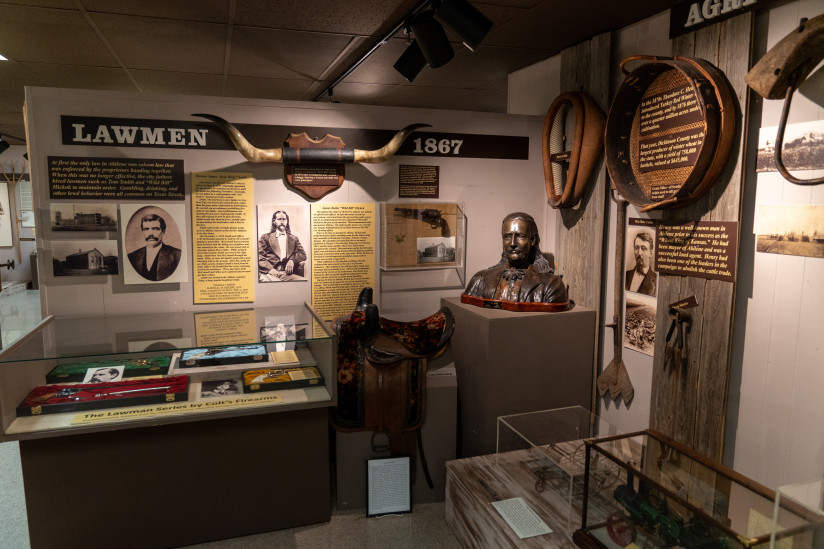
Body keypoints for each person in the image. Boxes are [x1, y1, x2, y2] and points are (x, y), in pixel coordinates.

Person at [463, 212, 568, 304]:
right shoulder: (480, 280)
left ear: (532, 240)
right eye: (507, 236)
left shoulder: (551, 285)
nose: (512, 243)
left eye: (520, 236)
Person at [127, 213, 182, 281]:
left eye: (155, 229)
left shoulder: (177, 255)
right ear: (143, 231)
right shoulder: (132, 256)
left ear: (163, 232)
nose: (150, 234)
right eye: (146, 229)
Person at [259, 210, 307, 282]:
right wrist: (270, 269)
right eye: (279, 219)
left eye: (284, 219)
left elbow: (303, 255)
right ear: (274, 221)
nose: (282, 221)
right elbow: (259, 256)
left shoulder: (294, 239)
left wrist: (292, 260)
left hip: (286, 274)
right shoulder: (265, 237)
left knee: (304, 281)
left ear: (287, 221)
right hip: (269, 273)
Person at [625, 231, 657, 296]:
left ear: (651, 253)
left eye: (643, 248)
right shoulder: (625, 275)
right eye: (636, 248)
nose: (639, 253)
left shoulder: (656, 280)